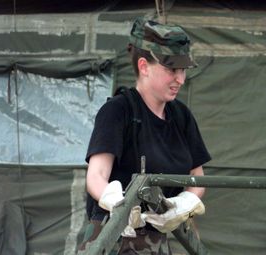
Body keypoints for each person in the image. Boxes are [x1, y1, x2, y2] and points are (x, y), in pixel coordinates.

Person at [78, 17, 211, 254]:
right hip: (113, 238)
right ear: (143, 66)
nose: (180, 79)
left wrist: (183, 204)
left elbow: (197, 177)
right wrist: (119, 205)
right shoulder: (118, 111)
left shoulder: (181, 117)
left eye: (182, 70)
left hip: (157, 241)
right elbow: (96, 175)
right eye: (171, 69)